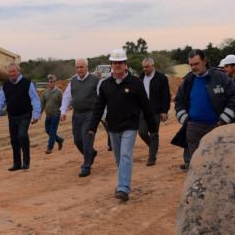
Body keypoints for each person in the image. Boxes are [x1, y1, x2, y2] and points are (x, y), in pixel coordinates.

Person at [89, 49, 156, 202]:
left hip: (130, 126)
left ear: (126, 64)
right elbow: (99, 107)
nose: (117, 65)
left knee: (126, 155)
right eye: (115, 62)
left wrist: (152, 128)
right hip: (112, 127)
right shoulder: (105, 85)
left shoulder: (136, 83)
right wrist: (92, 126)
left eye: (120, 62)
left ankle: (123, 188)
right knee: (119, 158)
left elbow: (145, 105)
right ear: (111, 65)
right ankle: (122, 182)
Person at [175, 49, 235, 170]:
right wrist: (185, 121)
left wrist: (223, 120)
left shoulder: (221, 78)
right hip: (193, 128)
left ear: (205, 61)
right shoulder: (188, 80)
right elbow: (178, 101)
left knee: (217, 163)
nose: (193, 67)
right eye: (191, 65)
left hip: (216, 127)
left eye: (196, 64)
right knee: (196, 165)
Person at [0, 63, 41, 171]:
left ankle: (26, 161)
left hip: (25, 114)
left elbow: (35, 99)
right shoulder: (5, 85)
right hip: (12, 115)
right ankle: (17, 164)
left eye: (14, 71)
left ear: (19, 72)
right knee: (14, 140)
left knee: (22, 135)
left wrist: (36, 114)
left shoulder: (27, 83)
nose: (12, 74)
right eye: (10, 72)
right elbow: (0, 101)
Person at [60, 58, 101, 177]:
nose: (79, 70)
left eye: (81, 67)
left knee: (87, 139)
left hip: (90, 114)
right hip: (77, 114)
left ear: (87, 67)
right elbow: (67, 97)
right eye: (77, 67)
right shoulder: (73, 81)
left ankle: (86, 166)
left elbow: (101, 97)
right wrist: (63, 111)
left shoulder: (95, 80)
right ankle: (91, 154)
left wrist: (103, 114)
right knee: (77, 140)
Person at [137, 57, 170, 166]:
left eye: (147, 67)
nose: (144, 69)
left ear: (153, 66)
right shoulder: (141, 78)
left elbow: (166, 96)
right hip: (143, 110)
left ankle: (152, 157)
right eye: (143, 67)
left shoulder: (161, 78)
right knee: (141, 132)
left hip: (156, 110)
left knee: (153, 134)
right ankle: (153, 147)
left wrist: (164, 111)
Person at [41, 74, 64, 154]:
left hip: (56, 114)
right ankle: (59, 140)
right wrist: (39, 114)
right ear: (48, 82)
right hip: (48, 115)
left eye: (54, 81)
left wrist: (62, 114)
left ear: (55, 82)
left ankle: (49, 148)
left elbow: (62, 104)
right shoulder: (45, 92)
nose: (52, 83)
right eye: (50, 82)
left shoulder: (59, 92)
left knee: (52, 131)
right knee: (47, 130)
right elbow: (42, 104)